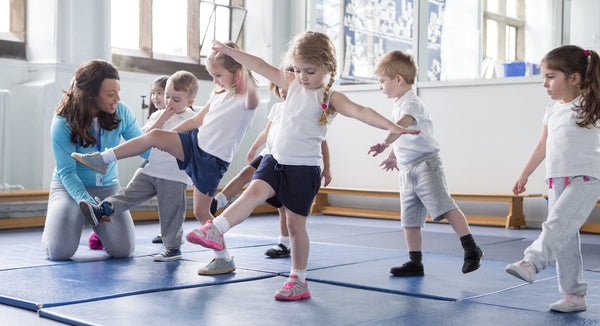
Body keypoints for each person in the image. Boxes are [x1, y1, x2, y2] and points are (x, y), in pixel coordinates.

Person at [185, 31, 420, 301]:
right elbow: (260, 65)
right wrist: (231, 53)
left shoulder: (330, 98)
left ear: (327, 68)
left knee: (296, 227)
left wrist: (392, 127)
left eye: (309, 71)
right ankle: (216, 229)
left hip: (303, 170)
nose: (302, 76)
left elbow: (361, 111)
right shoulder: (292, 83)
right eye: (297, 69)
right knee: (252, 193)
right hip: (275, 161)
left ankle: (298, 279)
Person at [71, 41, 259, 275]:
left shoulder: (246, 98)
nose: (215, 81)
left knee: (202, 213)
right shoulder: (218, 92)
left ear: (238, 72)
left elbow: (252, 95)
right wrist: (167, 138)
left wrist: (240, 66)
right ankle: (103, 159)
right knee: (155, 136)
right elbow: (195, 121)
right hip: (194, 144)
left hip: (212, 160)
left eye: (218, 75)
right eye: (212, 76)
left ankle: (223, 258)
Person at [368, 51, 483, 278]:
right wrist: (392, 155)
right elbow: (403, 134)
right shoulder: (399, 103)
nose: (380, 86)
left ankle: (471, 248)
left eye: (382, 81)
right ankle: (415, 262)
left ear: (398, 79)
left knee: (444, 205)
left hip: (425, 165)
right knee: (409, 219)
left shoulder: (412, 102)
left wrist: (383, 142)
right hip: (407, 169)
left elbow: (401, 126)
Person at [505, 46, 600, 313]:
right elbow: (542, 145)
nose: (544, 83)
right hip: (556, 180)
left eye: (550, 76)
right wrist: (524, 174)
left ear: (574, 78)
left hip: (587, 178)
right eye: (543, 77)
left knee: (557, 225)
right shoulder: (551, 109)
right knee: (565, 238)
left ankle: (531, 262)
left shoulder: (591, 104)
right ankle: (574, 295)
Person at [79, 71, 196, 262]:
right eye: (167, 96)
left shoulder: (192, 119)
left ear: (189, 102)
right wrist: (163, 117)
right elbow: (146, 137)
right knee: (129, 193)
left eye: (175, 99)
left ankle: (173, 248)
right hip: (152, 169)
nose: (169, 102)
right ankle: (102, 209)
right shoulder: (158, 115)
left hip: (174, 175)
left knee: (170, 211)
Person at [210, 80, 332, 258]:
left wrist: (327, 167)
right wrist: (254, 147)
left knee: (284, 206)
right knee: (246, 173)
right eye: (280, 88)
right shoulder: (277, 108)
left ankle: (284, 243)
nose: (283, 92)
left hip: (291, 161)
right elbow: (266, 132)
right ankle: (219, 201)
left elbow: (322, 141)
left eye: (287, 88)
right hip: (270, 155)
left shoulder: (306, 112)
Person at [42, 59, 149, 260]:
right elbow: (67, 172)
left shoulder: (122, 111)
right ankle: (58, 227)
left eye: (118, 91)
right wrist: (91, 207)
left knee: (123, 251)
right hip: (69, 187)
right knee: (59, 252)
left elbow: (143, 147)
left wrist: (177, 158)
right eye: (111, 94)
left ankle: (98, 231)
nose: (117, 97)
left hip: (108, 188)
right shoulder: (63, 121)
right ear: (91, 94)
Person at [88, 75, 170, 249]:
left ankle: (168, 233)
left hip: (169, 163)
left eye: (160, 93)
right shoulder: (156, 116)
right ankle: (102, 224)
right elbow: (144, 138)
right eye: (153, 93)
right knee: (135, 183)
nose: (155, 97)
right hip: (153, 159)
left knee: (169, 197)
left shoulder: (182, 115)